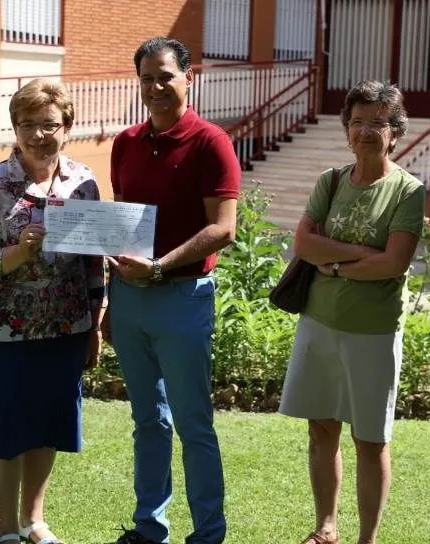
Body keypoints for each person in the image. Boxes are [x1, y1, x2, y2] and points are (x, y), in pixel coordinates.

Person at [0, 78, 106, 544]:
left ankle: (33, 521)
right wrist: (14, 256)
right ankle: (5, 528)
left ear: (68, 126)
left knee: (46, 426)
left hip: (64, 326)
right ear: (15, 128)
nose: (40, 135)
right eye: (28, 125)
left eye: (50, 125)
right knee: (4, 429)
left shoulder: (84, 183)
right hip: (1, 330)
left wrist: (95, 322)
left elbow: (92, 263)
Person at [103, 37, 240, 544]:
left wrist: (158, 267)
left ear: (189, 76)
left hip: (183, 298)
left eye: (165, 76)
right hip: (131, 299)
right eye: (146, 78)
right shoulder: (126, 143)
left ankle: (208, 533)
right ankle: (148, 526)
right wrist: (110, 300)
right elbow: (122, 224)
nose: (156, 87)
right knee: (147, 421)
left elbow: (223, 228)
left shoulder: (211, 142)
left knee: (193, 424)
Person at [277, 81, 425, 544]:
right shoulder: (331, 180)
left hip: (373, 334)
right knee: (321, 429)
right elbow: (302, 243)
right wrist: (362, 253)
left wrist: (335, 263)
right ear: (346, 130)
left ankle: (367, 539)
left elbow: (394, 263)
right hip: (318, 324)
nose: (365, 131)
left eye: (378, 122)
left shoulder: (408, 191)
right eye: (358, 121)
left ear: (395, 132)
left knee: (370, 440)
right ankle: (325, 527)